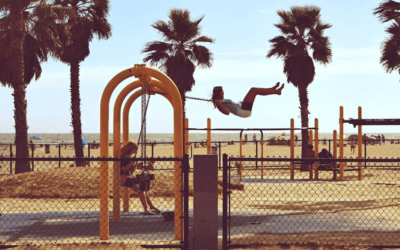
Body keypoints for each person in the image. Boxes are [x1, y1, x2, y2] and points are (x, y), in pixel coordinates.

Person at [120, 141, 160, 215]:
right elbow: (124, 169)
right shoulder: (123, 158)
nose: (136, 151)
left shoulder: (129, 158)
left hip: (128, 177)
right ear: (131, 149)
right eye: (135, 149)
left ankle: (151, 206)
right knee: (141, 190)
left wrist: (135, 164)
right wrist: (131, 163)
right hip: (123, 179)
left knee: (143, 188)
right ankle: (146, 209)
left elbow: (130, 172)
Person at [211, 83, 285, 118]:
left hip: (242, 108)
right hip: (242, 111)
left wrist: (218, 102)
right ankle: (275, 91)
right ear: (219, 93)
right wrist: (218, 103)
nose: (223, 92)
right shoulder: (219, 103)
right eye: (222, 91)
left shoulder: (221, 101)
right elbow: (227, 113)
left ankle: (272, 90)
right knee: (253, 90)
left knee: (255, 91)